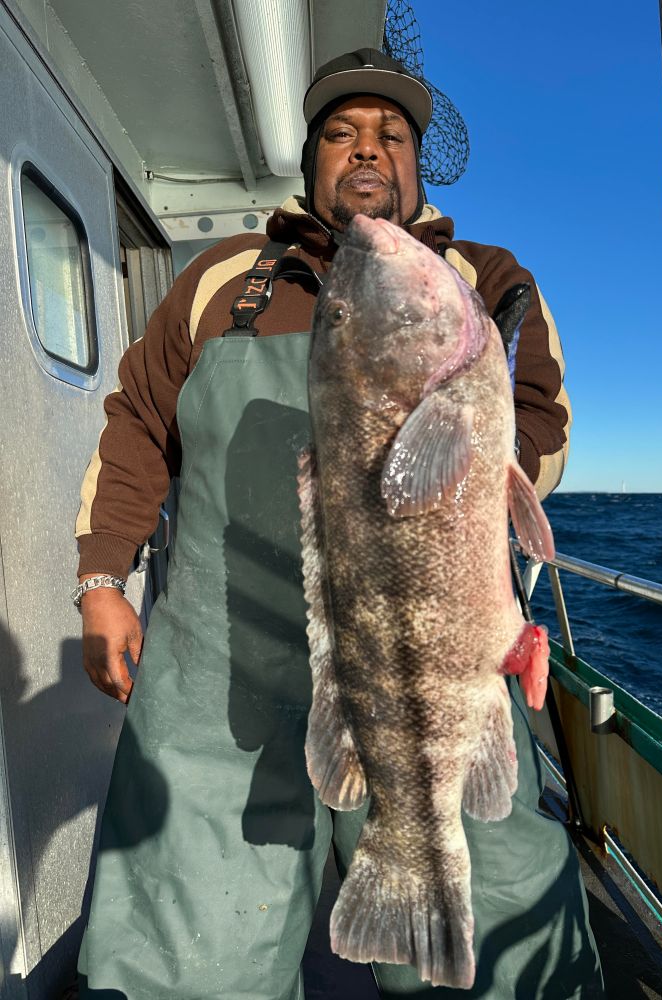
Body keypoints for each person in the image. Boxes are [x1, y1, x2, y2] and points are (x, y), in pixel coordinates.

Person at [74, 49, 602, 999]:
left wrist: (481, 461)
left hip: (430, 657)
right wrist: (103, 579)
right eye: (341, 134)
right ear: (313, 162)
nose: (366, 149)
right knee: (188, 951)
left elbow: (543, 419)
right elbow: (138, 424)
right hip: (220, 675)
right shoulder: (220, 279)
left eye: (390, 134)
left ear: (416, 165)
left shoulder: (484, 276)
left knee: (502, 933)